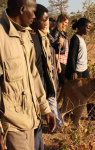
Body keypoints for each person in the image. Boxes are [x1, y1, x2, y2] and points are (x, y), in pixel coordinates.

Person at [0, 0, 56, 150]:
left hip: (30, 119)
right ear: (22, 9)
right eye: (33, 10)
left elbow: (34, 75)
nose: (35, 15)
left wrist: (46, 110)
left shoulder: (25, 33)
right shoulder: (1, 36)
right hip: (11, 125)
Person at [30, 4, 63, 137]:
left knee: (45, 106)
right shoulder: (25, 37)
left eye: (47, 20)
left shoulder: (41, 36)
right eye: (43, 20)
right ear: (34, 18)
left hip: (44, 78)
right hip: (32, 81)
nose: (46, 23)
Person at [65, 18, 95, 121]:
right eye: (88, 27)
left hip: (84, 69)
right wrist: (73, 71)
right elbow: (71, 57)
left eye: (90, 28)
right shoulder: (75, 39)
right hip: (77, 71)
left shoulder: (81, 38)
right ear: (81, 27)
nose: (89, 29)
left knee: (90, 92)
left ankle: (93, 115)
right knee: (76, 95)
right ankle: (68, 115)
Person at [51, 14, 69, 88]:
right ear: (60, 22)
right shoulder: (56, 32)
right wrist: (58, 64)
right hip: (60, 60)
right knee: (64, 83)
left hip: (65, 60)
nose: (65, 24)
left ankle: (63, 99)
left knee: (65, 83)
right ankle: (59, 99)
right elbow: (54, 48)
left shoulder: (63, 33)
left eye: (67, 23)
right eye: (64, 22)